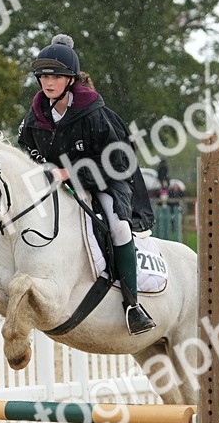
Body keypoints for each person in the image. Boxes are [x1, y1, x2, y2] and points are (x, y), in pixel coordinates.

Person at [17, 33, 157, 335]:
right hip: (57, 183)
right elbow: (26, 147)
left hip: (106, 181)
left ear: (70, 79)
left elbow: (118, 161)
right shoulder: (36, 115)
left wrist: (70, 171)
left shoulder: (95, 114)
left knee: (118, 227)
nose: (47, 82)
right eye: (43, 76)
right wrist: (44, 166)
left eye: (55, 76)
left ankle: (132, 305)